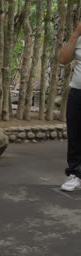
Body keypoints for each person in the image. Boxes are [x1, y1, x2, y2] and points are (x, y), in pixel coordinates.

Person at [59, 22, 81, 192]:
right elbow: (63, 59)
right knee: (75, 135)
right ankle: (75, 174)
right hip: (78, 92)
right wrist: (76, 33)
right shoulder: (78, 38)